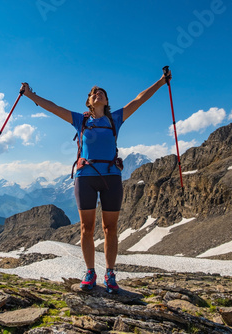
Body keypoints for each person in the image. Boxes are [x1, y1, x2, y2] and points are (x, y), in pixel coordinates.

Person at [20, 71, 171, 293]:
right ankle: (90, 272)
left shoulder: (115, 119)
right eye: (93, 93)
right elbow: (52, 107)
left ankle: (110, 274)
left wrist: (161, 81)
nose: (98, 94)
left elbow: (139, 99)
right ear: (89, 102)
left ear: (106, 101)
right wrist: (30, 94)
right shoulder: (80, 120)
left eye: (101, 93)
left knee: (110, 228)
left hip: (111, 176)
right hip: (85, 177)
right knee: (86, 228)